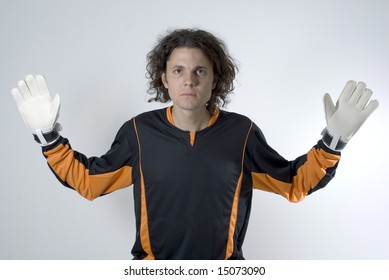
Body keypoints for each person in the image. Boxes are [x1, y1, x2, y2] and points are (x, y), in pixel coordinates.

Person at [11, 28, 379, 260]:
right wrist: (48, 137)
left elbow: (294, 183)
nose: (189, 80)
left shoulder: (242, 134)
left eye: (200, 71)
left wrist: (334, 140)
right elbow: (90, 182)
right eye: (179, 71)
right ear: (164, 79)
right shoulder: (139, 132)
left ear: (215, 78)